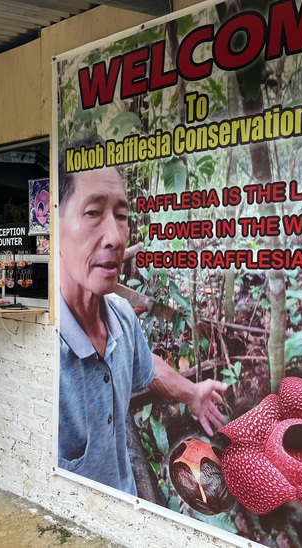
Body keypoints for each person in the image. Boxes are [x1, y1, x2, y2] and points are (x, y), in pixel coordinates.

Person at [57, 164, 227, 496]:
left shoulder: (121, 316)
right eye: (92, 212)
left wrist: (192, 393)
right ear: (55, 228)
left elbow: (145, 365)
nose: (116, 237)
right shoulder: (40, 347)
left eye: (121, 216)